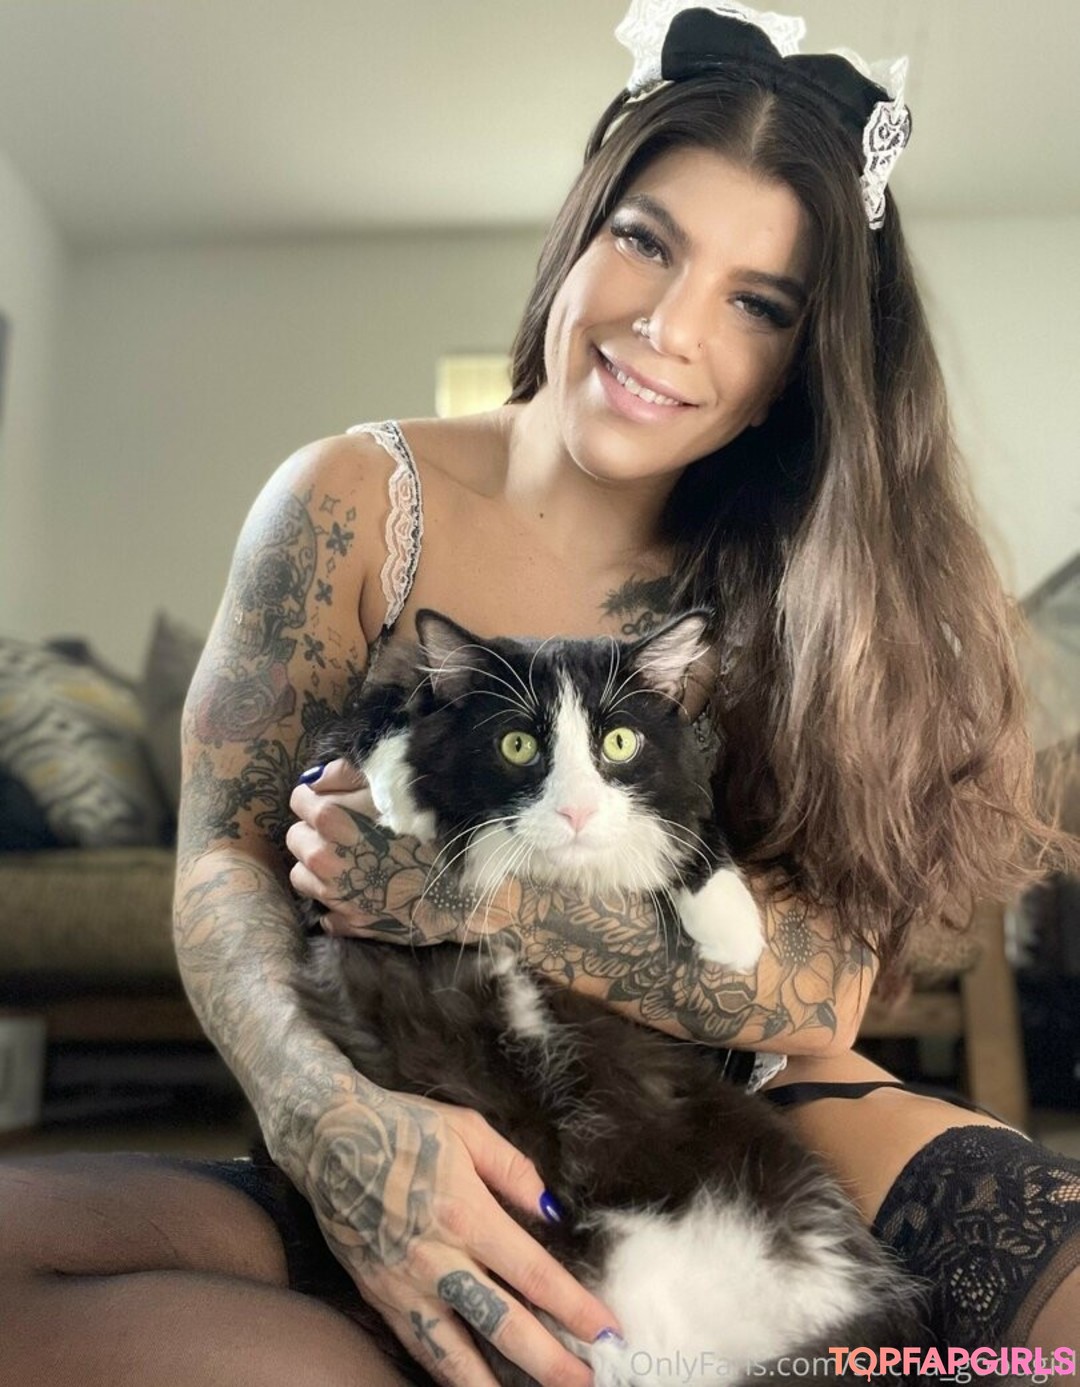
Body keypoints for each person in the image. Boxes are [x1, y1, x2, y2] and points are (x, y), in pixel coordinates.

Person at [3, 4, 1079, 1384]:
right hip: (439, 1109)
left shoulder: (811, 579)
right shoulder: (351, 503)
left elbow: (819, 999)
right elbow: (225, 853)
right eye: (647, 240)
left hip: (752, 1123)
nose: (668, 329)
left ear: (800, 367)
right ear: (580, 229)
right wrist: (323, 1118)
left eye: (759, 304)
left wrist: (480, 898)